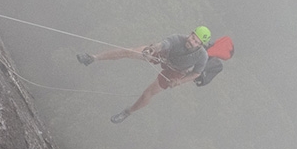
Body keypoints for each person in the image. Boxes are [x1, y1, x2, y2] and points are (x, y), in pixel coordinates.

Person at [77, 26, 211, 123]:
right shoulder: (178, 39)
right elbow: (164, 44)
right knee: (128, 52)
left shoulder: (202, 56)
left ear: (200, 45)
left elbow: (196, 73)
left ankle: (128, 112)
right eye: (193, 38)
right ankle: (92, 58)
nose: (192, 42)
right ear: (191, 33)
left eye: (196, 42)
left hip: (176, 71)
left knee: (149, 93)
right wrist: (152, 49)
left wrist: (179, 82)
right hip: (164, 54)